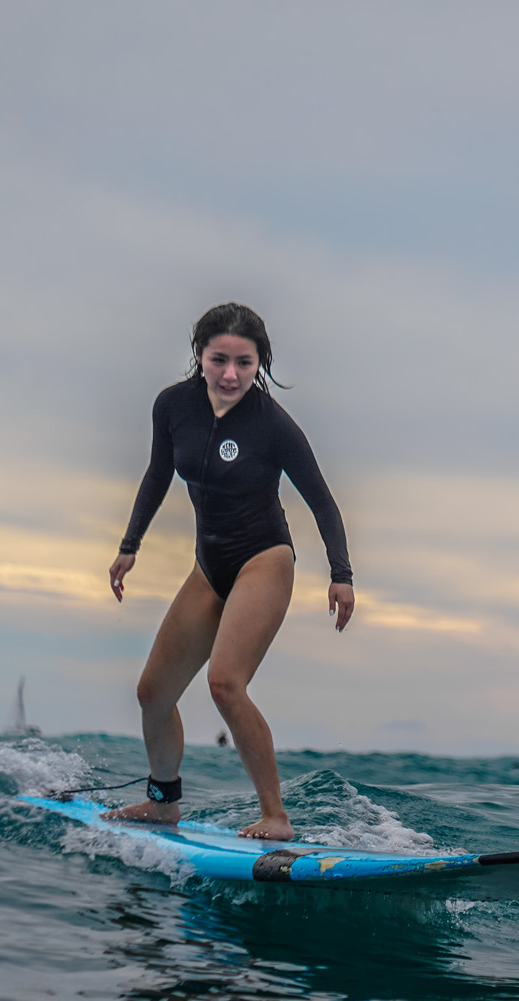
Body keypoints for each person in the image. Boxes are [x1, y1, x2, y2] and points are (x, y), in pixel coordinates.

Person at [104, 303, 354, 840]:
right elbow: (156, 474)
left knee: (225, 683)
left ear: (260, 362)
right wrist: (130, 545)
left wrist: (341, 575)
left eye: (244, 361)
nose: (231, 374)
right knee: (152, 693)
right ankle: (163, 802)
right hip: (209, 565)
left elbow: (323, 502)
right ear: (200, 356)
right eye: (219, 360)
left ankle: (275, 817)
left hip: (265, 558)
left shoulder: (273, 425)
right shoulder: (173, 407)